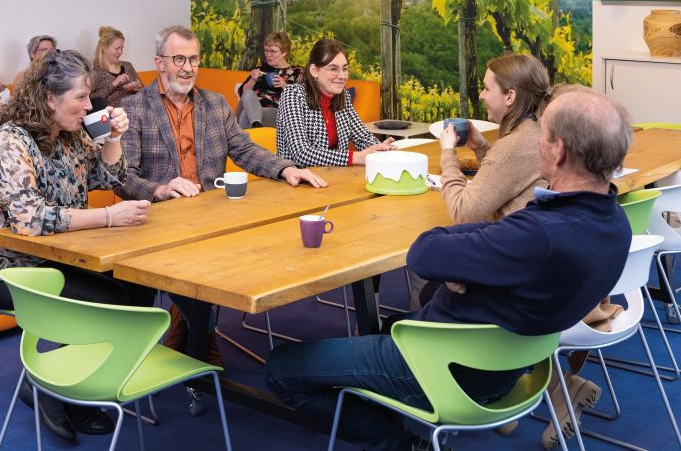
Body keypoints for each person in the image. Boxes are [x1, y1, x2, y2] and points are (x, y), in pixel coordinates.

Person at [264, 86, 633, 451]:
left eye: (544, 133)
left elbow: (425, 251)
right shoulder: (613, 223)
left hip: (449, 368)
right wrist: (475, 263)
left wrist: (467, 262)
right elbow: (490, 240)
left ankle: (395, 443)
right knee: (392, 325)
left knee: (280, 369)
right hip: (511, 364)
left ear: (560, 150)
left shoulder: (538, 235)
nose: (537, 140)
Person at [0, 49, 155, 443]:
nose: (90, 106)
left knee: (141, 288)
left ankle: (79, 385)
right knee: (112, 300)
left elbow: (110, 175)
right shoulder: (9, 141)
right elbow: (31, 220)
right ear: (50, 99)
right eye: (81, 98)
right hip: (10, 271)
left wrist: (113, 137)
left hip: (65, 258)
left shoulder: (69, 135)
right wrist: (108, 218)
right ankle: (48, 385)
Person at [115, 25, 327, 364]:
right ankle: (200, 343)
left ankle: (186, 325)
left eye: (194, 59)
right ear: (159, 62)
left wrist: (286, 168)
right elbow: (121, 176)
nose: (187, 67)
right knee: (195, 290)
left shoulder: (215, 104)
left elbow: (244, 149)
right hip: (157, 224)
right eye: (179, 59)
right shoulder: (134, 108)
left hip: (212, 220)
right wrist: (160, 188)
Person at [439, 53, 550, 224]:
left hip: (515, 245)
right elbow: (507, 177)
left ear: (510, 97)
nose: (481, 95)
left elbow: (461, 212)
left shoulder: (513, 146)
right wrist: (481, 148)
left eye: (487, 88)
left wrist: (447, 153)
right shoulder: (540, 128)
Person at [275, 38, 394, 167]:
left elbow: (362, 136)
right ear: (314, 70)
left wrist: (381, 150)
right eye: (333, 69)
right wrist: (355, 157)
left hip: (335, 176)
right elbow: (301, 153)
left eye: (345, 69)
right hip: (296, 179)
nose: (342, 76)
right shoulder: (293, 94)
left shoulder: (343, 96)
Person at [236, 31, 302, 128]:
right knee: (249, 95)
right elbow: (244, 95)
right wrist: (253, 80)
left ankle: (255, 125)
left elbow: (302, 101)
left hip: (275, 114)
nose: (268, 54)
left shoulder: (297, 72)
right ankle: (257, 126)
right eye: (266, 50)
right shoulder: (261, 67)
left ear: (284, 52)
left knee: (245, 115)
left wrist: (285, 86)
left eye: (273, 51)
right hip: (251, 108)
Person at [90, 25, 143, 107]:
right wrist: (113, 84)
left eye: (122, 48)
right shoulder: (94, 71)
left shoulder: (127, 65)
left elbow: (142, 89)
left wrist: (136, 86)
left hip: (138, 108)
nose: (120, 52)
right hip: (116, 116)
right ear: (103, 47)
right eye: (117, 48)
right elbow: (91, 100)